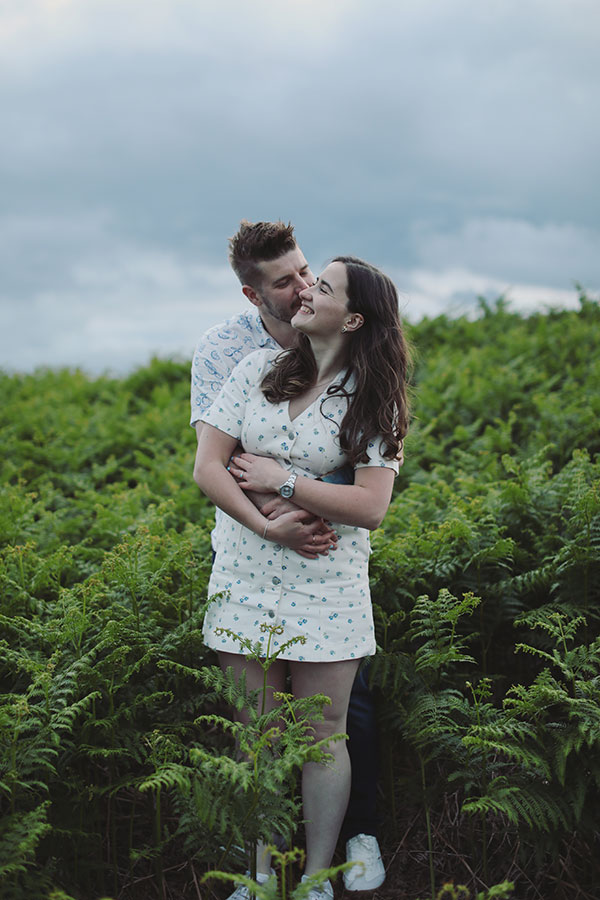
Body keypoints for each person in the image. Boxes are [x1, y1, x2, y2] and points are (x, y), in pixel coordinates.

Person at [193, 248, 411, 899]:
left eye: (324, 287)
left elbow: (371, 507)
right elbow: (209, 466)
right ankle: (256, 877)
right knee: (254, 739)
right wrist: (267, 522)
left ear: (353, 320)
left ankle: (316, 879)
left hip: (327, 586)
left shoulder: (375, 399)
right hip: (244, 575)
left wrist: (282, 480)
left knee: (323, 738)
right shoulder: (257, 370)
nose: (308, 290)